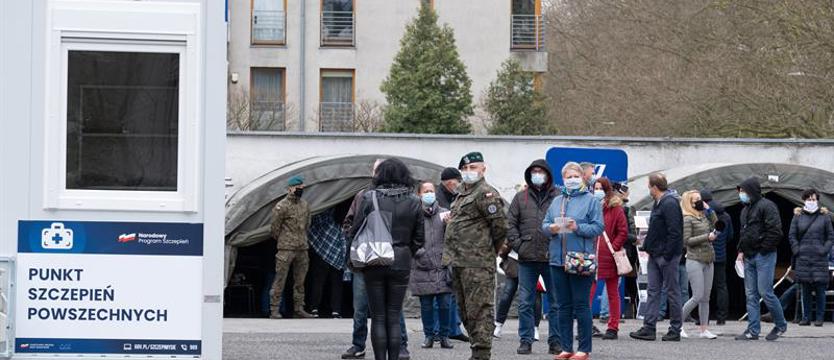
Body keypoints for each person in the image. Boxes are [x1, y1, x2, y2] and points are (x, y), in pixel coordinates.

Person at [348, 158, 425, 360]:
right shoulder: (414, 201)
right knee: (394, 315)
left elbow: (354, 230)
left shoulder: (368, 197)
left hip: (374, 260)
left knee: (378, 317)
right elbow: (419, 238)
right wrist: (405, 251)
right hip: (401, 261)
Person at [442, 151, 508, 360]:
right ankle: (475, 348)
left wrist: (489, 251)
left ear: (483, 169)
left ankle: (482, 353)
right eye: (465, 169)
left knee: (480, 309)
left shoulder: (486, 193)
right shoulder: (462, 193)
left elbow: (500, 228)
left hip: (478, 262)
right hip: (459, 261)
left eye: (473, 168)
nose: (469, 172)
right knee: (465, 310)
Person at [542, 162, 604, 360]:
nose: (571, 180)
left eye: (575, 176)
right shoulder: (556, 201)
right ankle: (566, 347)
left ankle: (584, 349)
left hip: (579, 260)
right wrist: (550, 228)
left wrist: (578, 227)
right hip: (557, 260)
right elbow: (543, 224)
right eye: (568, 177)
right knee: (563, 306)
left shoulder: (591, 201)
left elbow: (598, 228)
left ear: (581, 177)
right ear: (563, 179)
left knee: (581, 305)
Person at [507, 159, 561, 355]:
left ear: (547, 174)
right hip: (527, 257)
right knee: (525, 302)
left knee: (555, 302)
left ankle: (555, 341)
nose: (537, 174)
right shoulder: (520, 198)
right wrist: (519, 246)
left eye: (541, 171)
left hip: (551, 257)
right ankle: (525, 340)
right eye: (534, 171)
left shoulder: (559, 197)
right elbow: (510, 224)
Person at [629, 173, 684, 342]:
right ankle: (649, 327)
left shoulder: (669, 203)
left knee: (673, 292)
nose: (648, 189)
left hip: (666, 256)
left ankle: (675, 329)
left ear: (654, 187)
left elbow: (675, 232)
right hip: (655, 254)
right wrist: (647, 247)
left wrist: (667, 255)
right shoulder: (659, 202)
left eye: (649, 186)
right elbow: (655, 229)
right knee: (653, 291)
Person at [734, 177, 787, 341]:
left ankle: (780, 325)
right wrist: (740, 251)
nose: (741, 194)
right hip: (749, 256)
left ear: (752, 191)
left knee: (765, 292)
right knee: (751, 295)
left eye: (743, 191)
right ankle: (753, 330)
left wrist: (764, 250)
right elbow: (744, 233)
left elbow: (776, 231)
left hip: (764, 255)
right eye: (740, 191)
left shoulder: (767, 206)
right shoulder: (744, 210)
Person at [409, 182, 454, 349]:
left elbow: (453, 239)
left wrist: (451, 225)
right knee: (426, 305)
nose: (429, 194)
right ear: (420, 194)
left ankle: (444, 336)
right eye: (426, 191)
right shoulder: (414, 215)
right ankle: (428, 336)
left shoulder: (444, 214)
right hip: (422, 266)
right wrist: (419, 253)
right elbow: (409, 238)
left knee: (445, 304)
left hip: (442, 266)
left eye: (431, 191)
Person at [269, 175, 314, 319]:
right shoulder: (281, 206)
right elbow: (274, 228)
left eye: (302, 188)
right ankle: (274, 309)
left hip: (302, 247)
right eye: (298, 188)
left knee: (300, 281)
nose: (300, 190)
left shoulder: (305, 205)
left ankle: (299, 308)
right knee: (280, 279)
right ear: (290, 188)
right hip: (286, 248)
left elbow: (307, 224)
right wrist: (285, 239)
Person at [589, 177, 627, 340]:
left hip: (609, 257)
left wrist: (613, 247)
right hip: (591, 256)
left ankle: (613, 327)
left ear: (606, 190)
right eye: (595, 188)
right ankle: (586, 325)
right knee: (588, 293)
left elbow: (623, 231)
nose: (597, 191)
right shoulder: (589, 207)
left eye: (600, 188)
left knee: (612, 293)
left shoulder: (615, 208)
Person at [788, 189, 833, 327]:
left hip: (819, 258)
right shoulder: (798, 216)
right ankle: (806, 317)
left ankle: (819, 318)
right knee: (805, 289)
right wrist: (797, 250)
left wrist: (824, 250)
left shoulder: (824, 216)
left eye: (814, 199)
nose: (811, 201)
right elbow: (792, 235)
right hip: (803, 257)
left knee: (820, 289)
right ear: (804, 200)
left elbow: (830, 236)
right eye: (809, 199)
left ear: (818, 200)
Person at [678, 191, 718, 339]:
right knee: (697, 295)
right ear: (689, 202)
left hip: (708, 259)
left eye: (700, 200)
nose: (700, 202)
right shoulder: (687, 218)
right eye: (696, 200)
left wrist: (709, 209)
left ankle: (704, 329)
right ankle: (678, 324)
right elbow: (686, 241)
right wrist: (706, 237)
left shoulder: (703, 216)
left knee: (705, 297)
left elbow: (717, 224)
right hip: (694, 259)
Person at [700, 189, 732, 325]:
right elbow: (730, 236)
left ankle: (704, 318)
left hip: (705, 254)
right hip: (721, 255)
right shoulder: (726, 216)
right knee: (721, 286)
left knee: (703, 286)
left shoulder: (703, 214)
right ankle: (722, 318)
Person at [307, 208, 346, 318]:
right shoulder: (342, 221)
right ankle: (336, 311)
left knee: (318, 282)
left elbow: (312, 229)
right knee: (336, 284)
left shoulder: (323, 217)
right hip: (338, 256)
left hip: (321, 253)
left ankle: (314, 309)